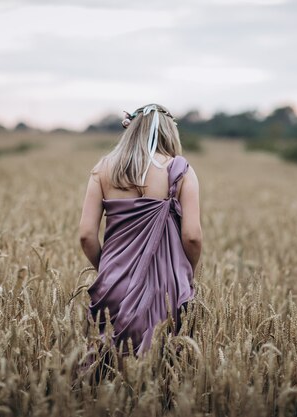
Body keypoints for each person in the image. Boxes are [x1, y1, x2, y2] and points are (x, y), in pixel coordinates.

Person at [78, 103, 202, 359]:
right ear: (170, 133)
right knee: (164, 364)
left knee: (107, 365)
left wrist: (109, 270)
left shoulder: (102, 169)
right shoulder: (180, 171)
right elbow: (192, 236)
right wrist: (188, 273)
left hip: (113, 279)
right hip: (167, 286)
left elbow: (86, 235)